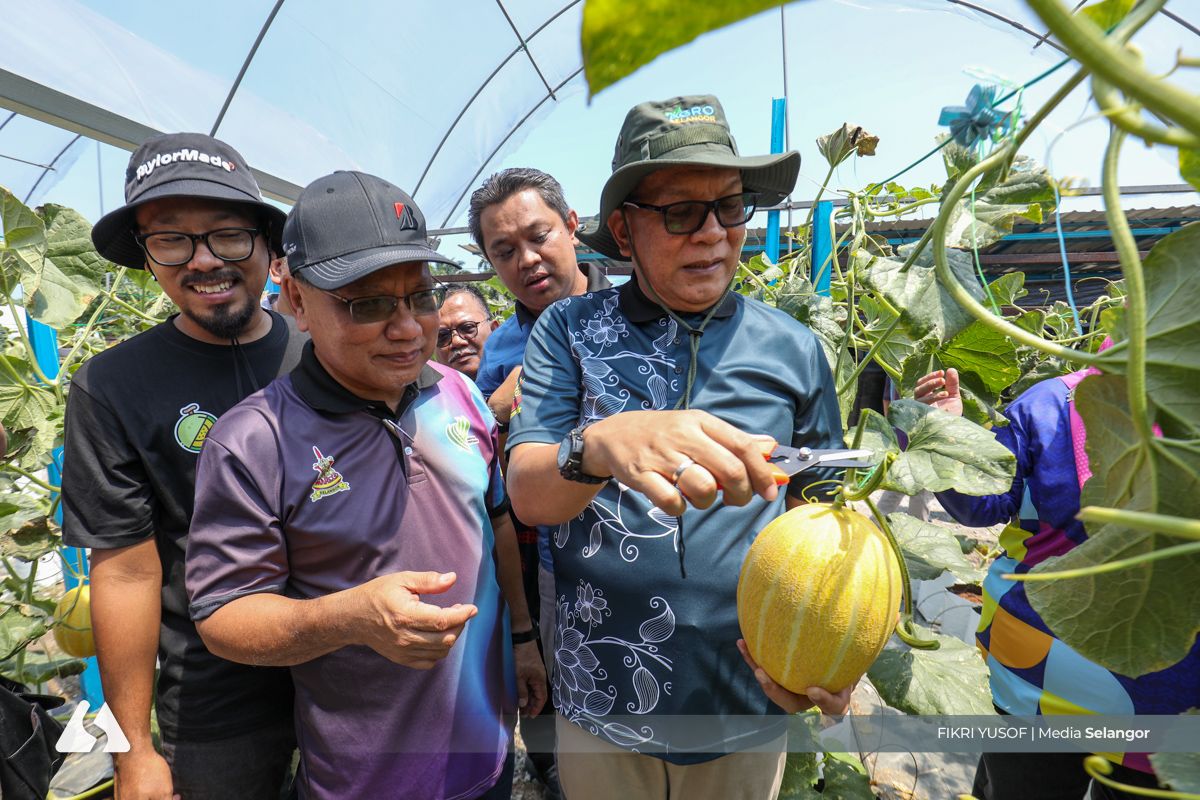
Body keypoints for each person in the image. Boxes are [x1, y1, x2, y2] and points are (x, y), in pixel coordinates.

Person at [504, 95, 851, 800]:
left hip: (747, 700)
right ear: (626, 231)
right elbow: (529, 493)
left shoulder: (792, 348)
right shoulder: (569, 330)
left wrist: (831, 656)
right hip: (602, 701)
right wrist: (601, 443)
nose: (714, 235)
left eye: (729, 208)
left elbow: (829, 515)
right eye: (682, 213)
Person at [184, 171, 546, 800]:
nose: (408, 327)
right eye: (368, 304)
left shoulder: (460, 394)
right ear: (295, 298)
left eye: (420, 297)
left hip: (485, 758)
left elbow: (497, 523)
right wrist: (348, 618)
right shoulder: (255, 440)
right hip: (363, 781)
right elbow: (223, 615)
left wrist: (521, 637)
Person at [60, 133, 301, 800]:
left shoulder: (324, 355)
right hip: (212, 691)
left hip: (348, 668)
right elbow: (128, 570)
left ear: (264, 244)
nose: (203, 261)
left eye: (226, 235)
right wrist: (133, 749)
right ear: (146, 254)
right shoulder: (111, 386)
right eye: (171, 240)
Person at [915, 367, 1200, 800]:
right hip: (1035, 686)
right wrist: (947, 433)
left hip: (1166, 710)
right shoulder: (1052, 402)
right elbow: (984, 504)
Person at [468, 167, 613, 799]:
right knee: (559, 712)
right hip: (543, 564)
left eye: (539, 235)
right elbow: (471, 468)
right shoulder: (499, 350)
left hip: (634, 560)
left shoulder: (636, 315)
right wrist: (496, 410)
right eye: (504, 251)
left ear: (573, 226)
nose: (526, 259)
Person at [436, 283, 498, 381]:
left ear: (495, 330)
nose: (456, 342)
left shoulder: (527, 379)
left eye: (467, 328)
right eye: (443, 336)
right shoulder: (426, 395)